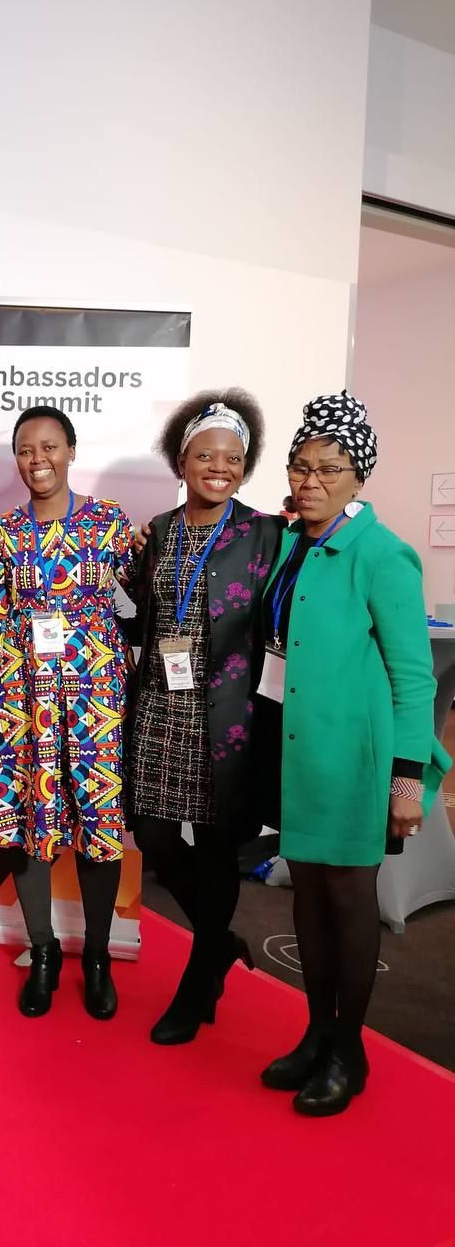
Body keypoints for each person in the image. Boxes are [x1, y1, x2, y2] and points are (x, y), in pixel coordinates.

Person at [255, 392, 447, 1116]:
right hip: (300, 752)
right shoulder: (293, 543)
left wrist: (404, 782)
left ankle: (349, 1049)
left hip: (357, 760)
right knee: (307, 895)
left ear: (358, 475)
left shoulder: (382, 554)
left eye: (328, 468)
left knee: (348, 897)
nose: (311, 480)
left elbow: (413, 679)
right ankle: (315, 1033)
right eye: (300, 466)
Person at [0, 407, 140, 1019]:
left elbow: (143, 603)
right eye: (25, 449)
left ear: (71, 450)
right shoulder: (5, 533)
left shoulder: (111, 522)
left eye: (49, 446)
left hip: (94, 699)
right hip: (21, 701)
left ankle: (96, 957)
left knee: (98, 828)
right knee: (27, 823)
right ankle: (41, 953)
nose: (37, 458)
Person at [124, 390, 284, 1044]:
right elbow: (136, 612)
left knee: (218, 850)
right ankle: (218, 943)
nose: (219, 467)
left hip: (227, 719)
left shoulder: (267, 532)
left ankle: (197, 978)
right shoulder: (158, 530)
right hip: (161, 706)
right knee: (154, 835)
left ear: (244, 467)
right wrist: (120, 567)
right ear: (181, 459)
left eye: (233, 458)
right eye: (205, 455)